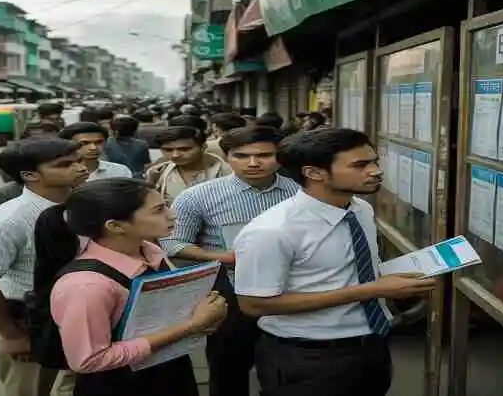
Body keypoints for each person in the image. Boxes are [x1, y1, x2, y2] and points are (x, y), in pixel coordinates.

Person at [233, 128, 437, 396]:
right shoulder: (272, 230)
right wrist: (373, 290)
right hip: (309, 357)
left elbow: (351, 271)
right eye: (360, 165)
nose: (375, 171)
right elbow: (253, 304)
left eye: (374, 161)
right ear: (314, 173)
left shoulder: (360, 209)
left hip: (371, 345)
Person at [33, 178, 228, 396]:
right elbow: (89, 360)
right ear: (115, 226)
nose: (172, 215)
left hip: (170, 372)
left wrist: (206, 314)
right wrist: (190, 326)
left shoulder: (150, 250)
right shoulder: (86, 285)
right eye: (158, 210)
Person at [160, 126, 299, 396]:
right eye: (241, 155)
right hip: (229, 292)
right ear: (227, 157)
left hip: (291, 289)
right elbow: (172, 243)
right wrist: (222, 257)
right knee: (228, 370)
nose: (253, 163)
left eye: (264, 155)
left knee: (286, 368)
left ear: (279, 157)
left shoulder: (300, 192)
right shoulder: (198, 196)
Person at [0, 138, 88, 396]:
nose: (80, 168)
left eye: (78, 160)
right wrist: (12, 334)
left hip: (86, 313)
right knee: (31, 389)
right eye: (65, 164)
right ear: (30, 175)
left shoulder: (86, 207)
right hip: (33, 321)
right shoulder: (2, 222)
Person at [148, 127, 232, 204]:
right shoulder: (159, 172)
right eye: (168, 150)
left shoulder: (227, 172)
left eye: (184, 149)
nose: (175, 155)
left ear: (203, 147)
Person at [59, 122, 132, 181]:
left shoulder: (119, 171)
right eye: (84, 143)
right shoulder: (58, 173)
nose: (93, 148)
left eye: (99, 142)